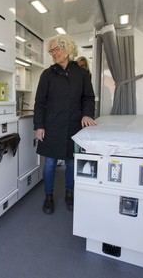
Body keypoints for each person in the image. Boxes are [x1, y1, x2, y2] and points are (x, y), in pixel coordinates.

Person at [33, 34, 96, 215]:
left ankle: (69, 194)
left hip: (73, 125)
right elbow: (39, 102)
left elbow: (88, 98)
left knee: (70, 162)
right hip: (51, 126)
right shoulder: (47, 75)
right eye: (51, 51)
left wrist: (86, 114)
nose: (53, 54)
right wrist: (40, 125)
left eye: (56, 49)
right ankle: (49, 197)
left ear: (67, 48)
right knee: (50, 164)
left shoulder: (82, 74)